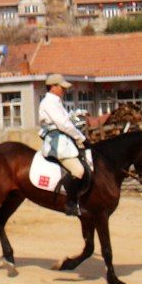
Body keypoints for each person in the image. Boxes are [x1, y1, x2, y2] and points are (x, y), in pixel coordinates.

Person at [38, 73, 90, 216]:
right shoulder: (49, 103)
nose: (64, 90)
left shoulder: (56, 101)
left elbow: (67, 120)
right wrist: (81, 138)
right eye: (62, 87)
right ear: (53, 87)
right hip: (57, 142)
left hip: (64, 140)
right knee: (78, 171)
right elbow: (63, 124)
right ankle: (70, 203)